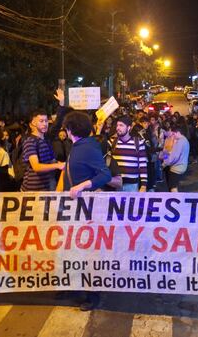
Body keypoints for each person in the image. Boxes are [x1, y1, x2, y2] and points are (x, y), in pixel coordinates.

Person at [58, 111, 112, 311]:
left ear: (71, 130)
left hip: (86, 210)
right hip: (75, 209)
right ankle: (74, 285)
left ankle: (92, 294)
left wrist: (82, 186)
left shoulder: (87, 147)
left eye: (66, 128)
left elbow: (105, 174)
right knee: (75, 249)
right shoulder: (81, 145)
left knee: (88, 252)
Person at [21, 90, 69, 191]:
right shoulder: (30, 142)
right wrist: (58, 165)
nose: (45, 124)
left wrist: (61, 103)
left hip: (46, 188)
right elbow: (36, 166)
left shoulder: (47, 139)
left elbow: (58, 122)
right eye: (41, 121)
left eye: (46, 121)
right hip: (32, 191)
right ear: (32, 124)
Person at [110, 116, 148, 192]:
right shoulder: (112, 142)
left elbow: (142, 164)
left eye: (121, 125)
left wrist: (143, 185)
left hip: (132, 186)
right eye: (117, 125)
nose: (118, 128)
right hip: (115, 184)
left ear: (128, 128)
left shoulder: (138, 142)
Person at [160, 125, 189, 192]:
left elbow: (174, 156)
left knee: (173, 187)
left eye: (173, 133)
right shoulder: (185, 140)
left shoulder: (179, 142)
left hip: (176, 167)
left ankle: (175, 200)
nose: (173, 136)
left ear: (177, 132)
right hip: (181, 166)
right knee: (174, 185)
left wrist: (164, 163)